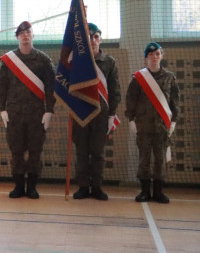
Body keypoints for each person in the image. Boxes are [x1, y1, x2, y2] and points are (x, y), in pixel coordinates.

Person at [0, 21, 55, 199]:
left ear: (33, 35)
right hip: (14, 114)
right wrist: (2, 109)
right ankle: (18, 186)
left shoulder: (44, 60)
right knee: (17, 151)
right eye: (21, 33)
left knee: (35, 151)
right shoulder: (8, 60)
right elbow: (1, 87)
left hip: (37, 113)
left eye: (28, 32)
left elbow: (51, 87)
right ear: (17, 36)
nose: (25, 35)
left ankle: (32, 187)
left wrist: (49, 110)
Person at [125, 42, 179, 203]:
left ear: (162, 56)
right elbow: (131, 101)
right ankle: (144, 191)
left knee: (160, 159)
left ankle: (158, 192)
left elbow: (175, 102)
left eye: (157, 54)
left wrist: (174, 121)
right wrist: (131, 120)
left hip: (162, 126)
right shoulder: (138, 78)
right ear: (146, 58)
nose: (154, 57)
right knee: (144, 159)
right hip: (143, 125)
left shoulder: (169, 78)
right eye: (151, 54)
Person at [72, 24, 119, 200]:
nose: (93, 40)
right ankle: (83, 186)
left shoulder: (109, 62)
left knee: (98, 153)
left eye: (96, 37)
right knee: (82, 152)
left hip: (101, 115)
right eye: (89, 37)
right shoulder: (76, 60)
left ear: (100, 39)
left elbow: (115, 90)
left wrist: (112, 114)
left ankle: (97, 187)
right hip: (81, 113)